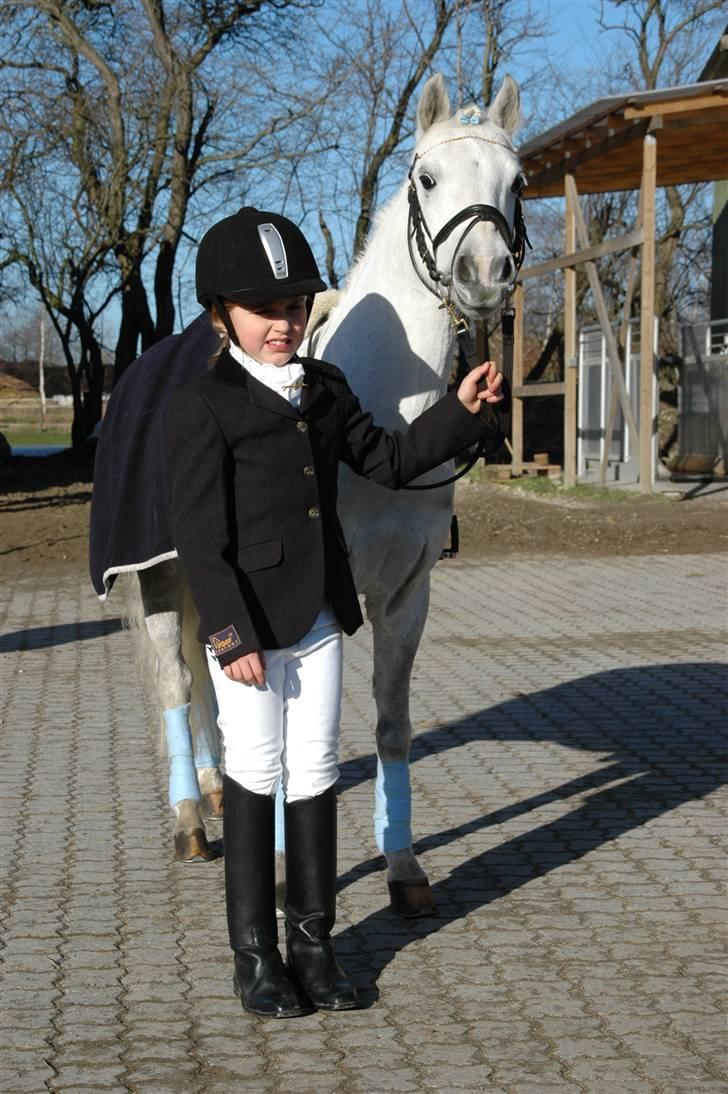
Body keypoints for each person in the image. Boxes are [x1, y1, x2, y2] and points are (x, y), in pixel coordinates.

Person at [164, 206, 505, 1020]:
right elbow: (200, 541)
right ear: (223, 316)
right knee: (254, 774)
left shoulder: (326, 390)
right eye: (263, 310)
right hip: (247, 628)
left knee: (314, 773)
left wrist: (457, 412)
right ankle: (256, 959)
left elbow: (388, 457)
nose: (283, 324)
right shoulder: (201, 406)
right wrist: (225, 633)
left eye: (294, 308)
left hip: (319, 616)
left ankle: (314, 946)